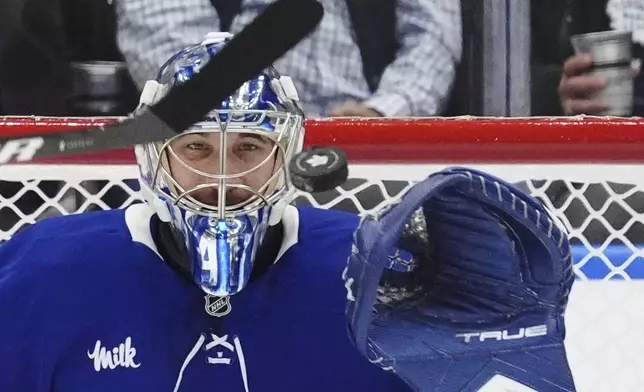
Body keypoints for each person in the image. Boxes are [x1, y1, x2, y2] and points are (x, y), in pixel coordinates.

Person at [0, 35, 576, 391]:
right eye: (195, 148)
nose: (222, 177)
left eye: (249, 147)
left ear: (288, 155)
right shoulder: (45, 272)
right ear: (155, 156)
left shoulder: (378, 271)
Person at [114, 0, 462, 118]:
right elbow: (168, 50)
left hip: (366, 144)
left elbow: (433, 35)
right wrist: (250, 121)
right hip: (222, 137)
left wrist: (383, 112)